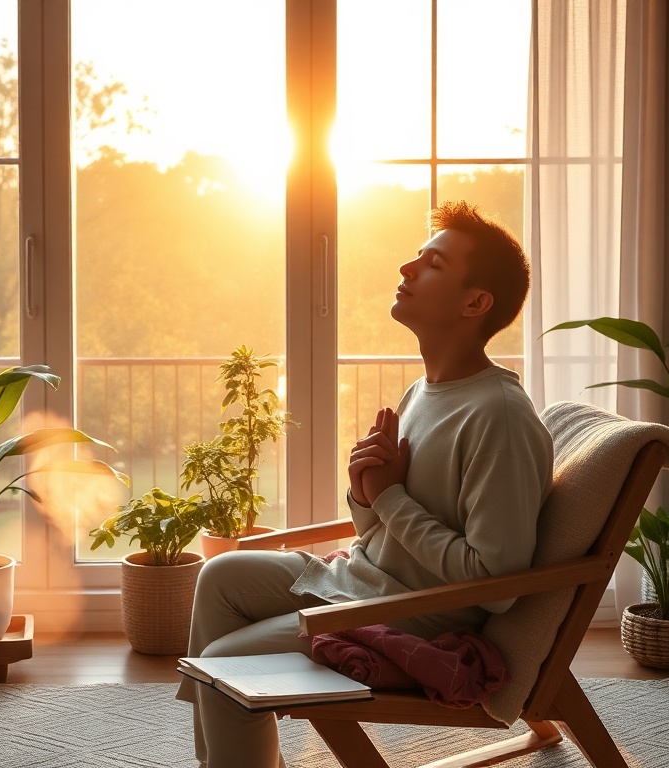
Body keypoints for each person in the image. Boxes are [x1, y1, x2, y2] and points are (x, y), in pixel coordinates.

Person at [175, 200, 554, 768]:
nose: (407, 268)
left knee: (226, 668)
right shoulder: (425, 392)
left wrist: (388, 497)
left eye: (433, 264)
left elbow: (496, 584)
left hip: (415, 615)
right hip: (365, 580)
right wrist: (363, 492)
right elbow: (382, 531)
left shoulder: (498, 417)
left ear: (476, 303)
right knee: (220, 574)